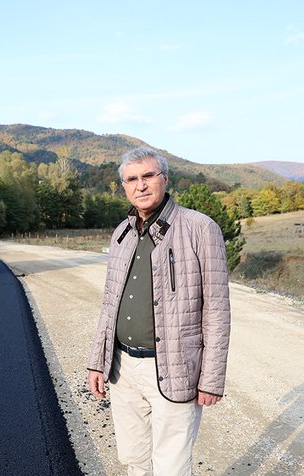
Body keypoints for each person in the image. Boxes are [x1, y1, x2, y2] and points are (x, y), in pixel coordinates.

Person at [87, 147, 231, 476]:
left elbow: (218, 310)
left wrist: (211, 379)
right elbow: (109, 304)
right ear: (124, 185)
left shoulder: (199, 228)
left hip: (175, 366)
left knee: (171, 466)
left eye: (148, 176)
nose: (141, 185)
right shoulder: (122, 234)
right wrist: (98, 361)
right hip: (122, 369)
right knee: (133, 459)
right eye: (132, 179)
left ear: (164, 179)